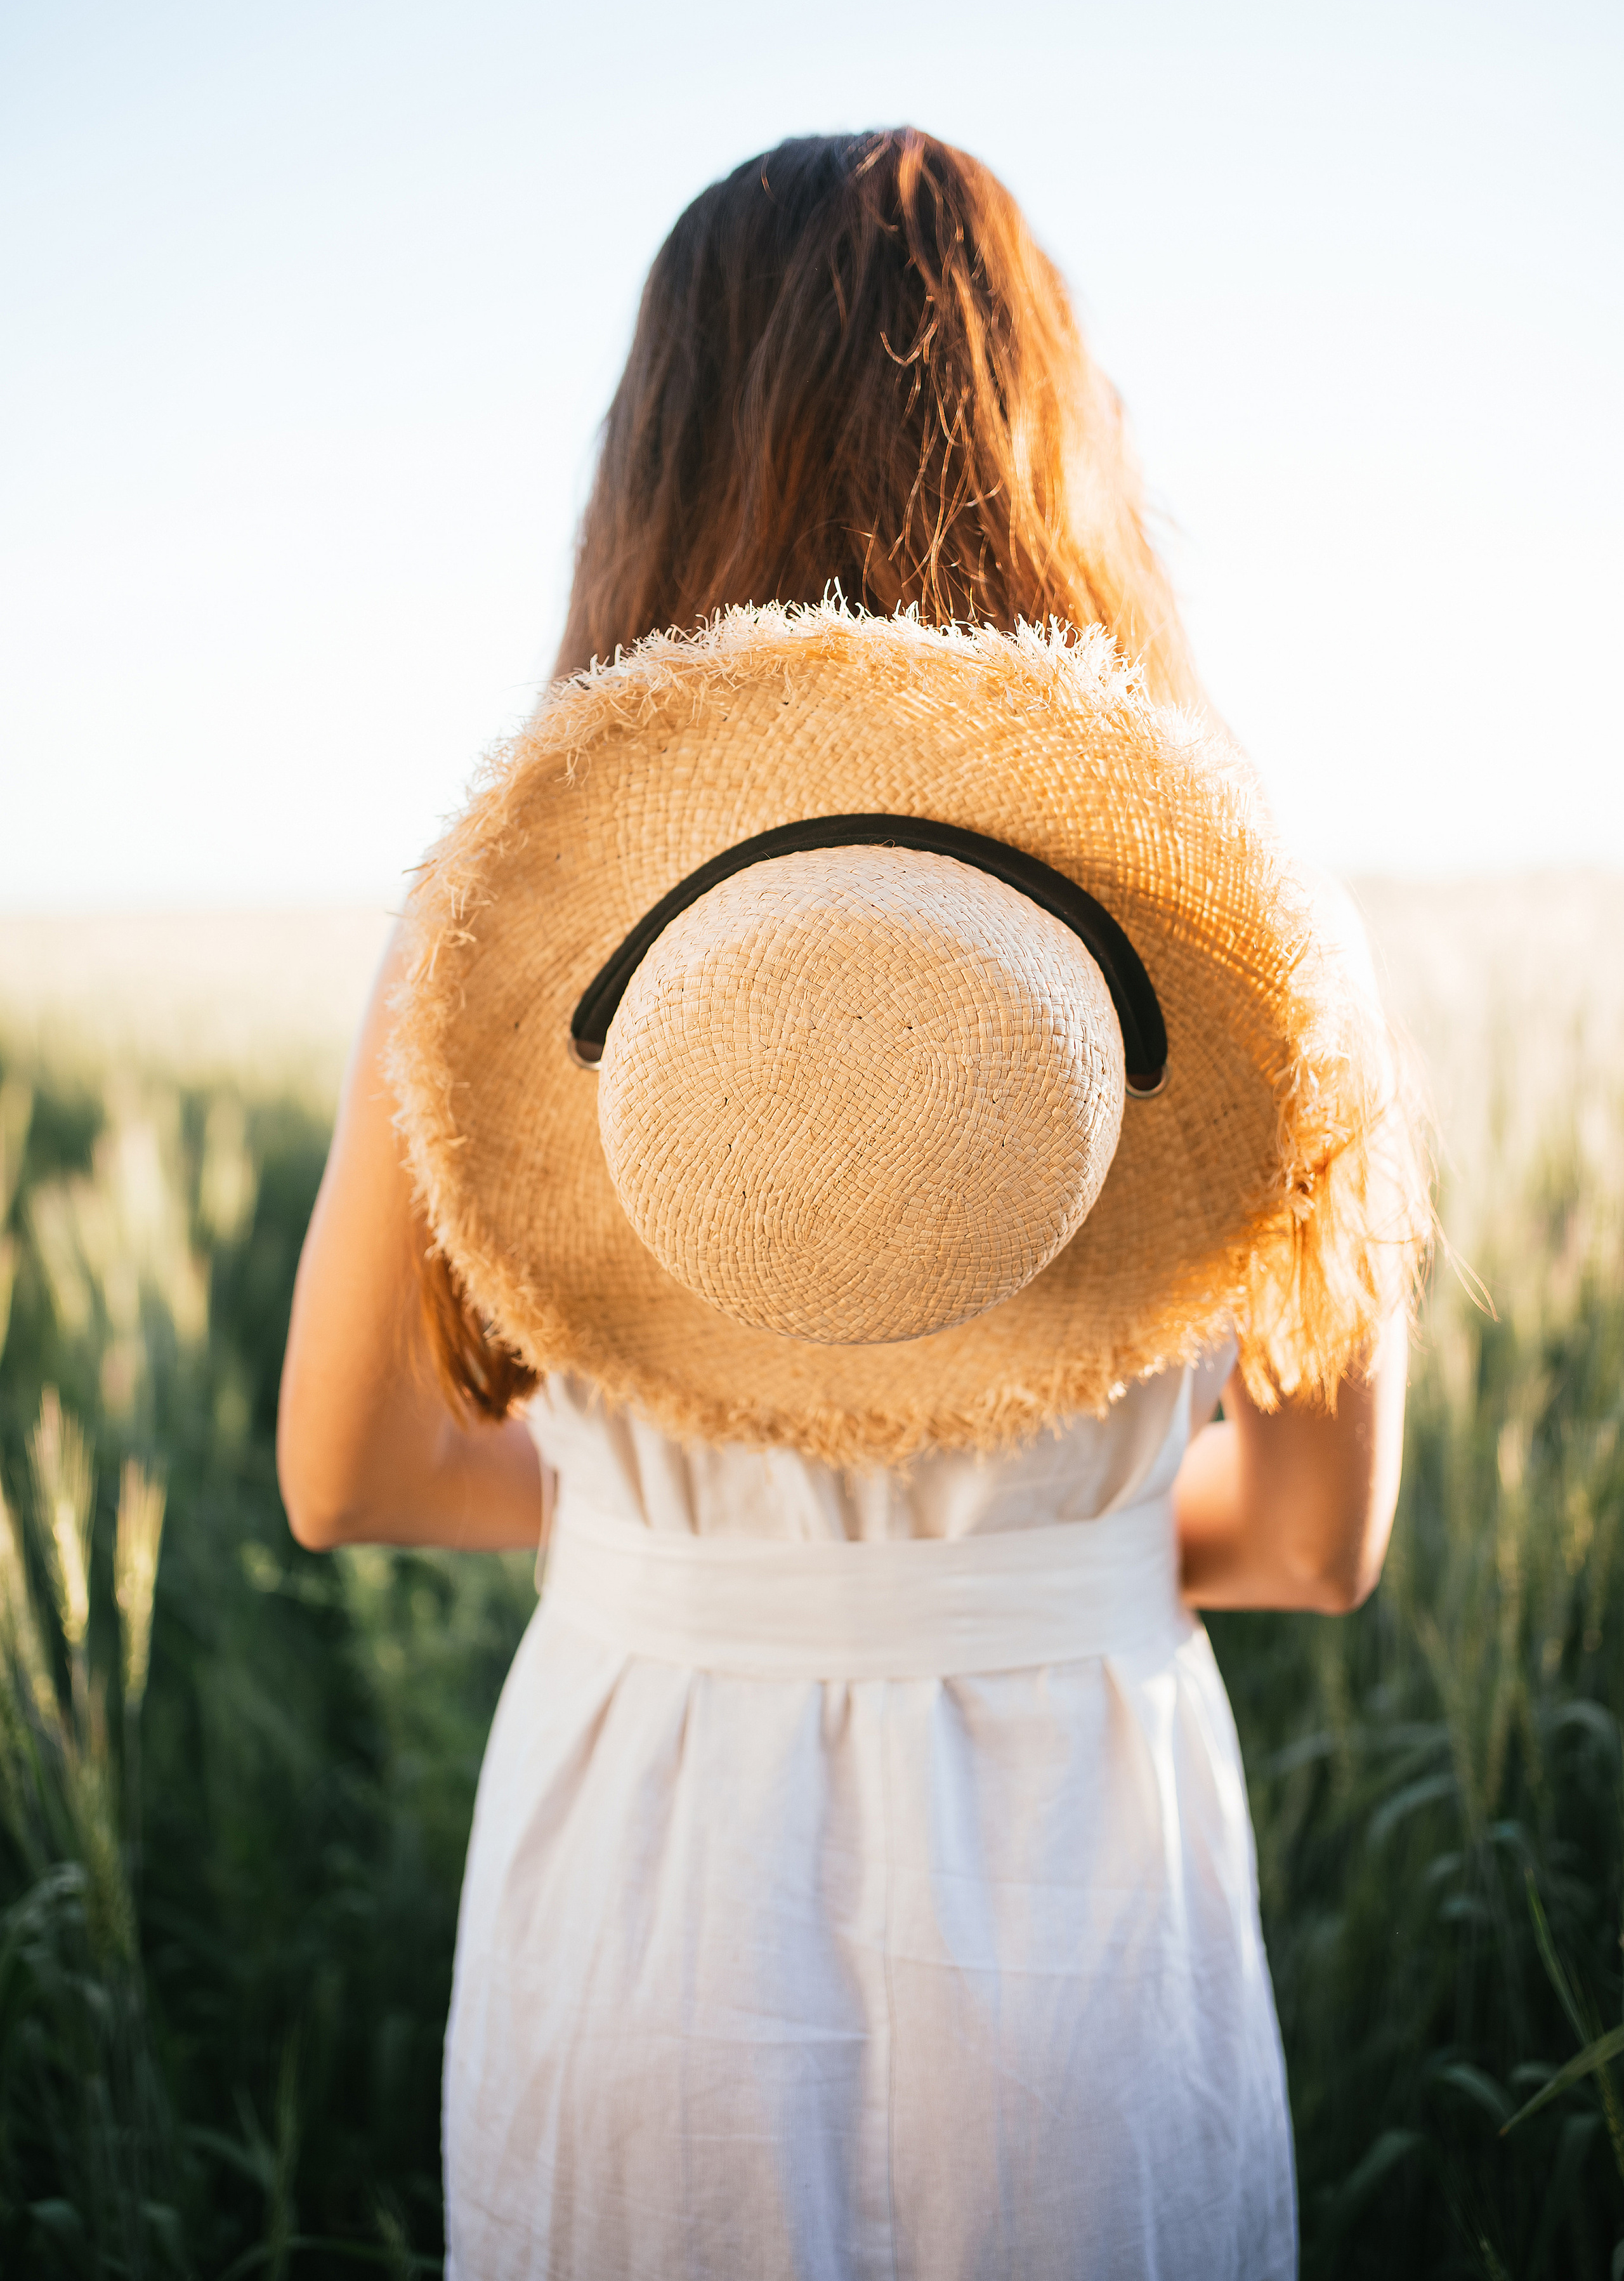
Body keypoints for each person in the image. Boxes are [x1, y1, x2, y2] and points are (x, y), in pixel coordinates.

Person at [277, 131, 1427, 2280]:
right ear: (1056, 442)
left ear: (656, 459)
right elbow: (1312, 1541)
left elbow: (345, 1473)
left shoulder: (496, 935)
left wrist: (686, 1545)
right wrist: (1023, 1562)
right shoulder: (1257, 945)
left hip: (645, 1886)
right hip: (1086, 1909)